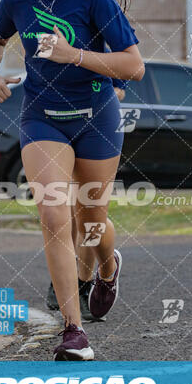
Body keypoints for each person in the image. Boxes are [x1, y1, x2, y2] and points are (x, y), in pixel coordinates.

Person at [0, 0, 144, 360]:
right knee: (54, 214)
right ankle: (74, 333)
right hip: (41, 117)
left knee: (90, 218)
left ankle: (107, 269)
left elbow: (133, 66)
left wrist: (75, 55)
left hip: (96, 116)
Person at [46, 79, 127, 322]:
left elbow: (119, 88)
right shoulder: (44, 42)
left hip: (94, 127)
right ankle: (66, 278)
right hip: (53, 124)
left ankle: (85, 280)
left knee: (84, 215)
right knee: (60, 210)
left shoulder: (99, 43)